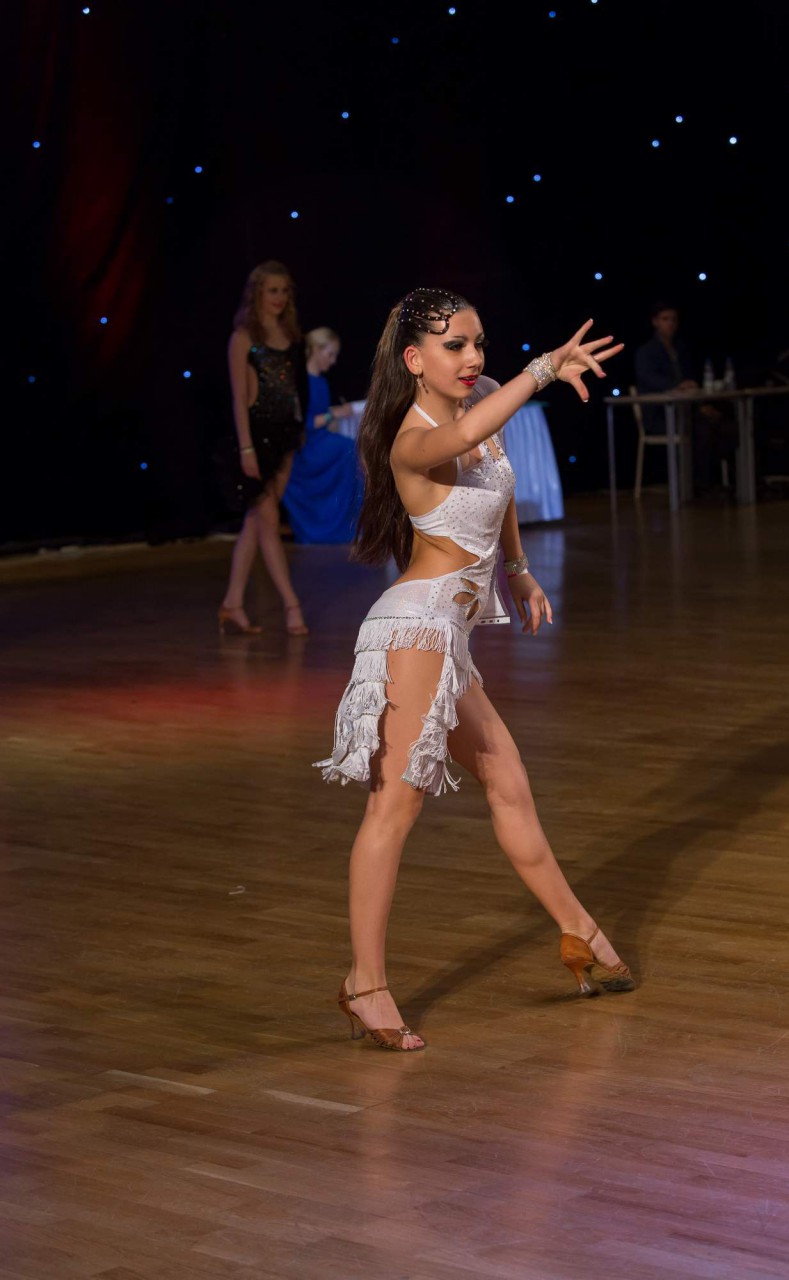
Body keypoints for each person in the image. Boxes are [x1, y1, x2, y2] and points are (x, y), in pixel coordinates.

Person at [314, 287, 634, 1052]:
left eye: (478, 343)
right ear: (412, 359)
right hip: (413, 630)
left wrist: (517, 569)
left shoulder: (480, 398)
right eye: (454, 346)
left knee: (508, 782)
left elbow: (498, 476)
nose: (472, 358)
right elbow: (475, 431)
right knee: (393, 809)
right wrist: (542, 370)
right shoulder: (409, 438)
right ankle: (365, 983)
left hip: (448, 638)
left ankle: (579, 933)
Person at [218, 260, 310, 636]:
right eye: (273, 290)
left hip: (285, 436)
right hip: (255, 440)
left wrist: (298, 430)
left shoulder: (291, 334)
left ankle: (231, 604)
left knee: (256, 522)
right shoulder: (243, 337)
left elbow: (295, 389)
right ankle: (292, 605)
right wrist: (246, 449)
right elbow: (239, 399)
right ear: (257, 292)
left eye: (284, 291)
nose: (279, 297)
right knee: (267, 520)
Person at [634, 301, 736, 496]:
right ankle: (699, 485)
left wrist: (699, 402)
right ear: (655, 322)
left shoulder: (680, 348)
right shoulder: (646, 352)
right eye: (665, 319)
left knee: (726, 426)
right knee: (702, 429)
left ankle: (737, 481)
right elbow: (651, 379)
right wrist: (677, 386)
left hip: (687, 410)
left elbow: (690, 381)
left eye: (673, 319)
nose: (670, 324)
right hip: (661, 415)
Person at [282, 327, 364, 544]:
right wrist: (334, 414)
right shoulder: (302, 382)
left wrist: (333, 418)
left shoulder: (320, 381)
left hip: (319, 439)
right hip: (306, 444)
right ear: (316, 350)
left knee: (352, 449)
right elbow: (305, 422)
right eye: (330, 354)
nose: (333, 360)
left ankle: (348, 523)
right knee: (348, 450)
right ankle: (335, 526)